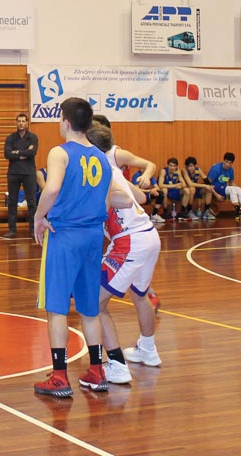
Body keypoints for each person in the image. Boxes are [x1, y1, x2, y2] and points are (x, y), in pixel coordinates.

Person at [32, 99, 130, 398]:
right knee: (89, 308)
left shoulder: (60, 152)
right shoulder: (101, 156)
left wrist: (39, 216)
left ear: (65, 121)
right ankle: (97, 371)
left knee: (56, 307)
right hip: (93, 236)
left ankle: (60, 377)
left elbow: (52, 188)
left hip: (65, 234)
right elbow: (109, 199)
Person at [86, 123, 162, 385]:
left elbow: (127, 200)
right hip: (149, 235)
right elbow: (141, 197)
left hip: (130, 241)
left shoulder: (101, 173)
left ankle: (117, 365)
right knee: (140, 295)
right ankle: (148, 350)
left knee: (94, 303)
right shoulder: (114, 170)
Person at [3, 113, 39, 238]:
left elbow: (32, 152)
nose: (21, 123)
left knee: (32, 202)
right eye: (19, 121)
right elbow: (7, 154)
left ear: (27, 123)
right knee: (12, 202)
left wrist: (16, 152)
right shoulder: (10, 138)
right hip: (13, 173)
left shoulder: (33, 137)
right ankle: (12, 230)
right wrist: (23, 153)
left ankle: (33, 230)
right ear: (16, 123)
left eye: (23, 121)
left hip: (29, 173)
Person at [207, 153, 241, 219]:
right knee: (232, 189)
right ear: (223, 161)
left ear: (232, 163)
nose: (227, 164)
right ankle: (238, 211)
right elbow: (208, 184)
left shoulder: (231, 170)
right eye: (226, 162)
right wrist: (216, 194)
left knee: (238, 189)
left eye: (230, 163)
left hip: (223, 189)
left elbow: (231, 183)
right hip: (214, 190)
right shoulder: (216, 168)